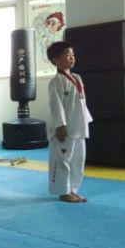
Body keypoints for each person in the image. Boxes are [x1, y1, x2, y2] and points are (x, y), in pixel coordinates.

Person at [47, 41, 92, 203]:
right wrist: (60, 125)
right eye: (68, 55)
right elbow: (55, 105)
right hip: (65, 128)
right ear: (55, 60)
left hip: (79, 126)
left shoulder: (77, 78)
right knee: (63, 160)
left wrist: (86, 120)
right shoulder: (56, 81)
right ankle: (63, 191)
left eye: (73, 55)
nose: (72, 58)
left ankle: (73, 189)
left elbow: (81, 102)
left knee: (78, 160)